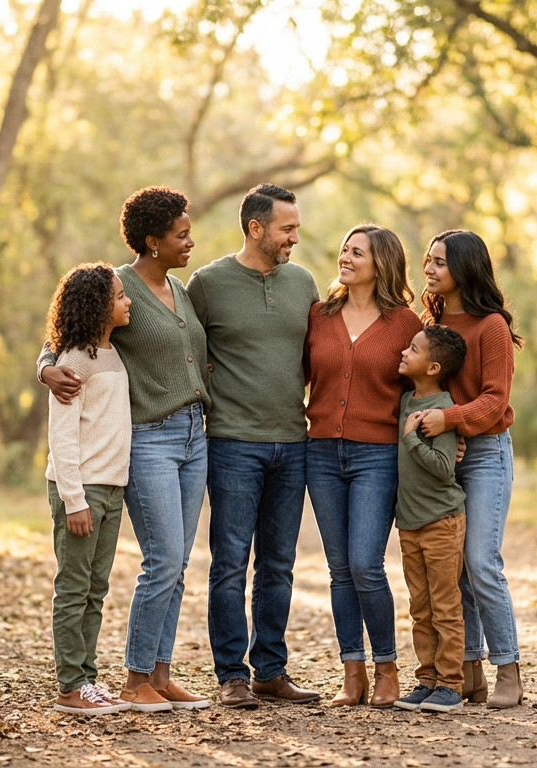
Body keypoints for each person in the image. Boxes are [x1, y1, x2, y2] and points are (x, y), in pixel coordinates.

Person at [39, 186, 212, 712]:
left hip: (193, 435)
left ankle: (159, 675)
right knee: (161, 560)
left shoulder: (181, 291)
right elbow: (65, 343)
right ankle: (132, 678)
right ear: (152, 240)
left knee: (178, 561)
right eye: (181, 234)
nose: (190, 241)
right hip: (149, 439)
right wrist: (45, 368)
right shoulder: (114, 288)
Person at [185, 184, 322, 708]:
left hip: (293, 440)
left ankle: (270, 669)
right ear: (255, 228)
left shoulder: (303, 282)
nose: (294, 237)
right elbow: (177, 340)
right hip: (232, 443)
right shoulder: (209, 283)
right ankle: (231, 676)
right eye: (287, 228)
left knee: (279, 563)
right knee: (229, 561)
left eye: (297, 228)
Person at [303, 224, 423, 707]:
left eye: (358, 252)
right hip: (321, 453)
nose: (345, 256)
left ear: (381, 264)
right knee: (338, 569)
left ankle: (387, 667)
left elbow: (426, 387)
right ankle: (352, 672)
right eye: (344, 248)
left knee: (365, 564)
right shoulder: (318, 314)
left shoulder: (406, 324)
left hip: (377, 455)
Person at [415, 229, 525, 709]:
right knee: (452, 568)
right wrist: (444, 430)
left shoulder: (491, 326)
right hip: (446, 456)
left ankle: (509, 670)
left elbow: (495, 399)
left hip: (484, 455)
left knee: (481, 563)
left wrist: (450, 421)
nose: (430, 269)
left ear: (465, 268)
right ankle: (468, 672)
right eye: (429, 260)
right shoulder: (432, 321)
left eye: (440, 262)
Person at [43, 263, 133, 715]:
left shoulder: (112, 354)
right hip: (82, 491)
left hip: (111, 490)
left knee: (96, 589)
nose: (127, 302)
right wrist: (73, 500)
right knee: (74, 587)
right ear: (99, 307)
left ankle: (88, 680)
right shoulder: (74, 361)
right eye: (119, 297)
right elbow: (61, 437)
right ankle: (69, 686)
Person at [390, 325, 469, 714]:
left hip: (441, 522)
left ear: (433, 366)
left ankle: (451, 685)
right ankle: (426, 680)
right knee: (419, 608)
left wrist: (410, 439)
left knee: (444, 605)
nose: (404, 352)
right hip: (410, 523)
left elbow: (443, 467)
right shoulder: (405, 400)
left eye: (413, 349)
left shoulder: (442, 409)